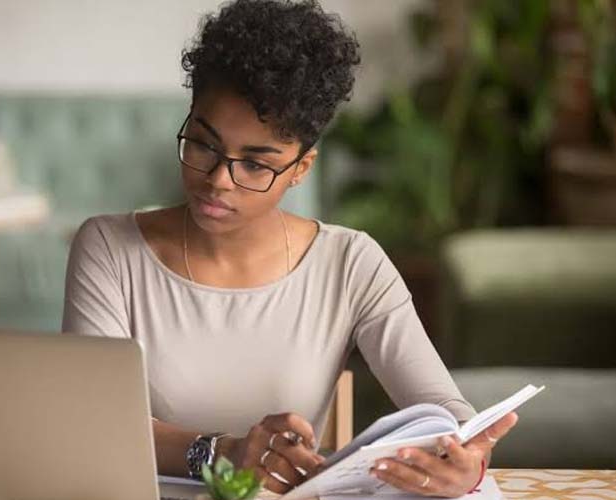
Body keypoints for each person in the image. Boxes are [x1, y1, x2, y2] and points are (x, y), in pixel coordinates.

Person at [62, 0, 518, 497]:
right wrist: (221, 454)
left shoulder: (351, 264)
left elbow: (446, 412)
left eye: (256, 165)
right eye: (202, 145)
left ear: (301, 168)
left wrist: (466, 461)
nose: (218, 180)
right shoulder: (108, 248)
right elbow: (92, 423)